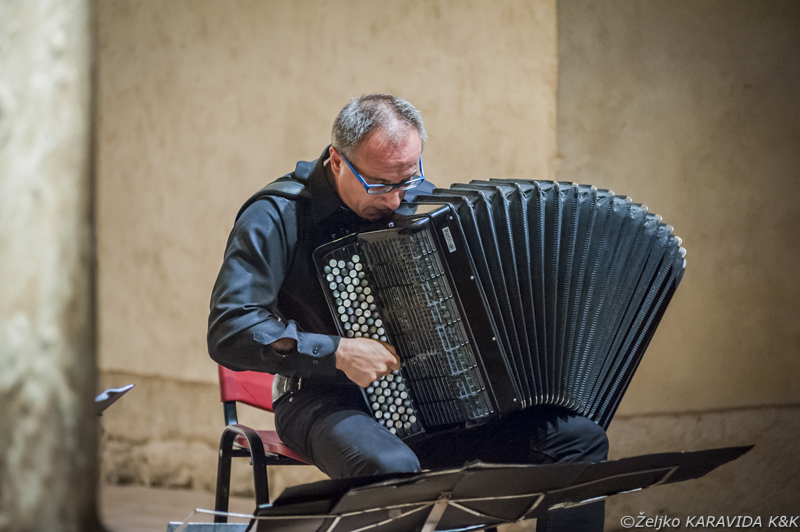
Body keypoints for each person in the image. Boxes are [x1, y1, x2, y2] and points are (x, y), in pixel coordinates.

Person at [208, 94, 609, 531]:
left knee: (578, 441)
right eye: (381, 184)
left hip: (434, 399)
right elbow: (230, 329)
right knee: (394, 470)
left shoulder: (424, 206)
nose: (398, 199)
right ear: (337, 161)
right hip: (321, 396)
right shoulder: (277, 214)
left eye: (408, 177)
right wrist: (337, 351)